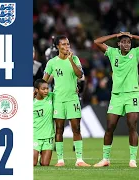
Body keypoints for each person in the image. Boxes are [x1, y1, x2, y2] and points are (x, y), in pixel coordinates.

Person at [93, 32, 139, 167]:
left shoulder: (135, 53)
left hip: (132, 94)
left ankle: (132, 159)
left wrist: (133, 36)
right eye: (123, 42)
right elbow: (97, 42)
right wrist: (116, 35)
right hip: (117, 95)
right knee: (110, 126)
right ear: (118, 44)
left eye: (128, 42)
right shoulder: (112, 53)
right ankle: (105, 159)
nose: (126, 44)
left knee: (132, 125)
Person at [43, 35, 89, 167]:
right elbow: (44, 82)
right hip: (58, 100)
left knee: (76, 128)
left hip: (72, 99)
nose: (66, 47)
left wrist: (71, 60)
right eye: (63, 44)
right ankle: (60, 160)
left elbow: (80, 75)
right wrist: (44, 94)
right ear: (57, 46)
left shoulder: (74, 59)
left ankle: (79, 160)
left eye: (68, 44)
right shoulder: (52, 62)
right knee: (59, 130)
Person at [33, 79, 54, 166]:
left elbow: (63, 94)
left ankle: (39, 154)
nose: (46, 91)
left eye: (47, 88)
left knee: (45, 164)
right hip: (35, 136)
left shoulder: (51, 96)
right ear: (37, 90)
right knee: (32, 163)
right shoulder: (31, 102)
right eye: (43, 89)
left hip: (48, 136)